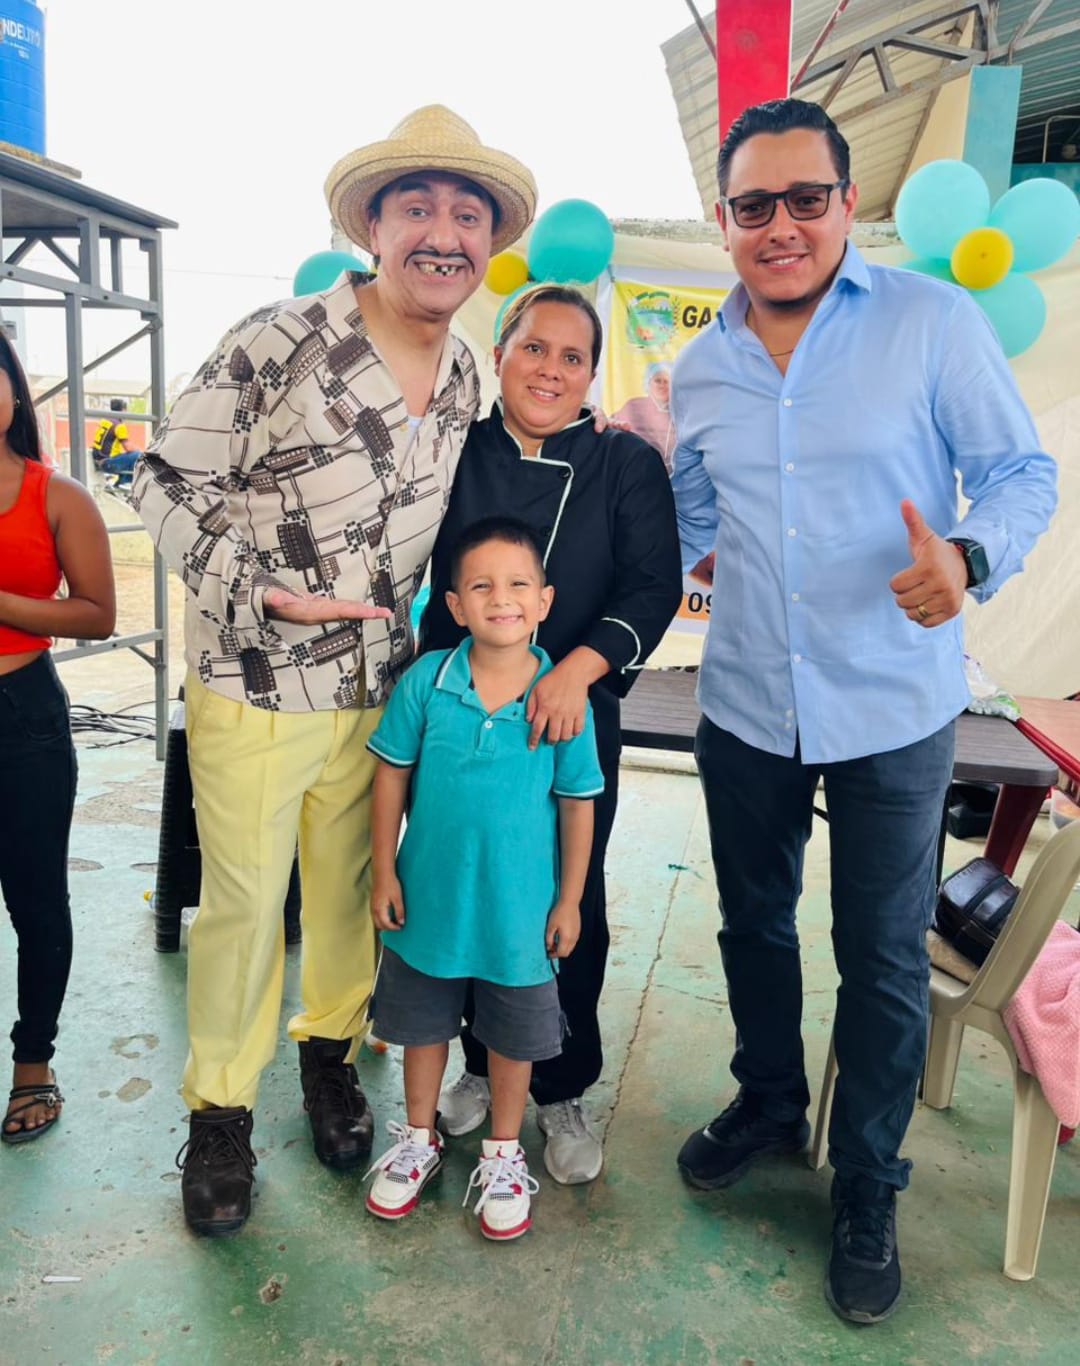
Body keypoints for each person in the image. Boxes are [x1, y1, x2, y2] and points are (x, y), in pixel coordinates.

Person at [670, 98, 1057, 1325]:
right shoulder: (703, 367)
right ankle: (770, 1102)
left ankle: (870, 1183)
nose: (781, 225)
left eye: (806, 198)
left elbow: (1021, 472)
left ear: (848, 205)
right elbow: (684, 526)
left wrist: (968, 556)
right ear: (724, 219)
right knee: (752, 923)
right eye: (755, 204)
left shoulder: (930, 323)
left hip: (895, 702)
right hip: (746, 700)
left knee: (882, 955)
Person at [131, 105, 537, 1237]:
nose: (444, 234)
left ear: (489, 240)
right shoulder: (279, 339)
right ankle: (220, 1113)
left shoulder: (466, 372)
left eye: (468, 215)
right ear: (372, 225)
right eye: (418, 208)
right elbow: (163, 477)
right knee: (246, 904)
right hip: (256, 682)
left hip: (380, 691)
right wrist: (261, 590)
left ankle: (328, 1059)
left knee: (357, 892)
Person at [421, 285, 683, 1185]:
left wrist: (576, 669)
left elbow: (652, 587)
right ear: (499, 353)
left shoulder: (624, 463)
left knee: (567, 900)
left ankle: (561, 1084)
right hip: (458, 716)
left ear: (591, 375)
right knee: (463, 889)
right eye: (535, 348)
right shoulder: (456, 448)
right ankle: (478, 1062)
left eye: (574, 358)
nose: (551, 370)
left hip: (569, 717)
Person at [364, 517, 603, 1239]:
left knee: (513, 1038)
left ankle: (503, 1153)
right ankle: (417, 1139)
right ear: (455, 604)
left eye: (519, 584)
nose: (502, 598)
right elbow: (390, 778)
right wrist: (384, 871)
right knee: (422, 1028)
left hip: (519, 914)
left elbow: (578, 803)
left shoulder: (563, 699)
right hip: (429, 904)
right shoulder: (427, 682)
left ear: (544, 601)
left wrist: (569, 900)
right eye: (481, 586)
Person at [0, 330, 115, 1144]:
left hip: (23, 718)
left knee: (36, 899)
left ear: (13, 389)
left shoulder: (57, 496)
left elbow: (97, 613)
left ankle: (32, 1062)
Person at [612, 361, 676, 472]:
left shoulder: (680, 412)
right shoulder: (634, 405)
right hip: (635, 470)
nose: (662, 385)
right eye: (658, 381)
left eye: (666, 381)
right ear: (648, 383)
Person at [91, 398, 140, 483]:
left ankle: (120, 483)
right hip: (108, 462)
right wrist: (141, 451)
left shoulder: (104, 421)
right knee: (139, 456)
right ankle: (123, 483)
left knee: (130, 458)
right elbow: (128, 448)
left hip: (98, 461)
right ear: (123, 410)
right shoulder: (119, 425)